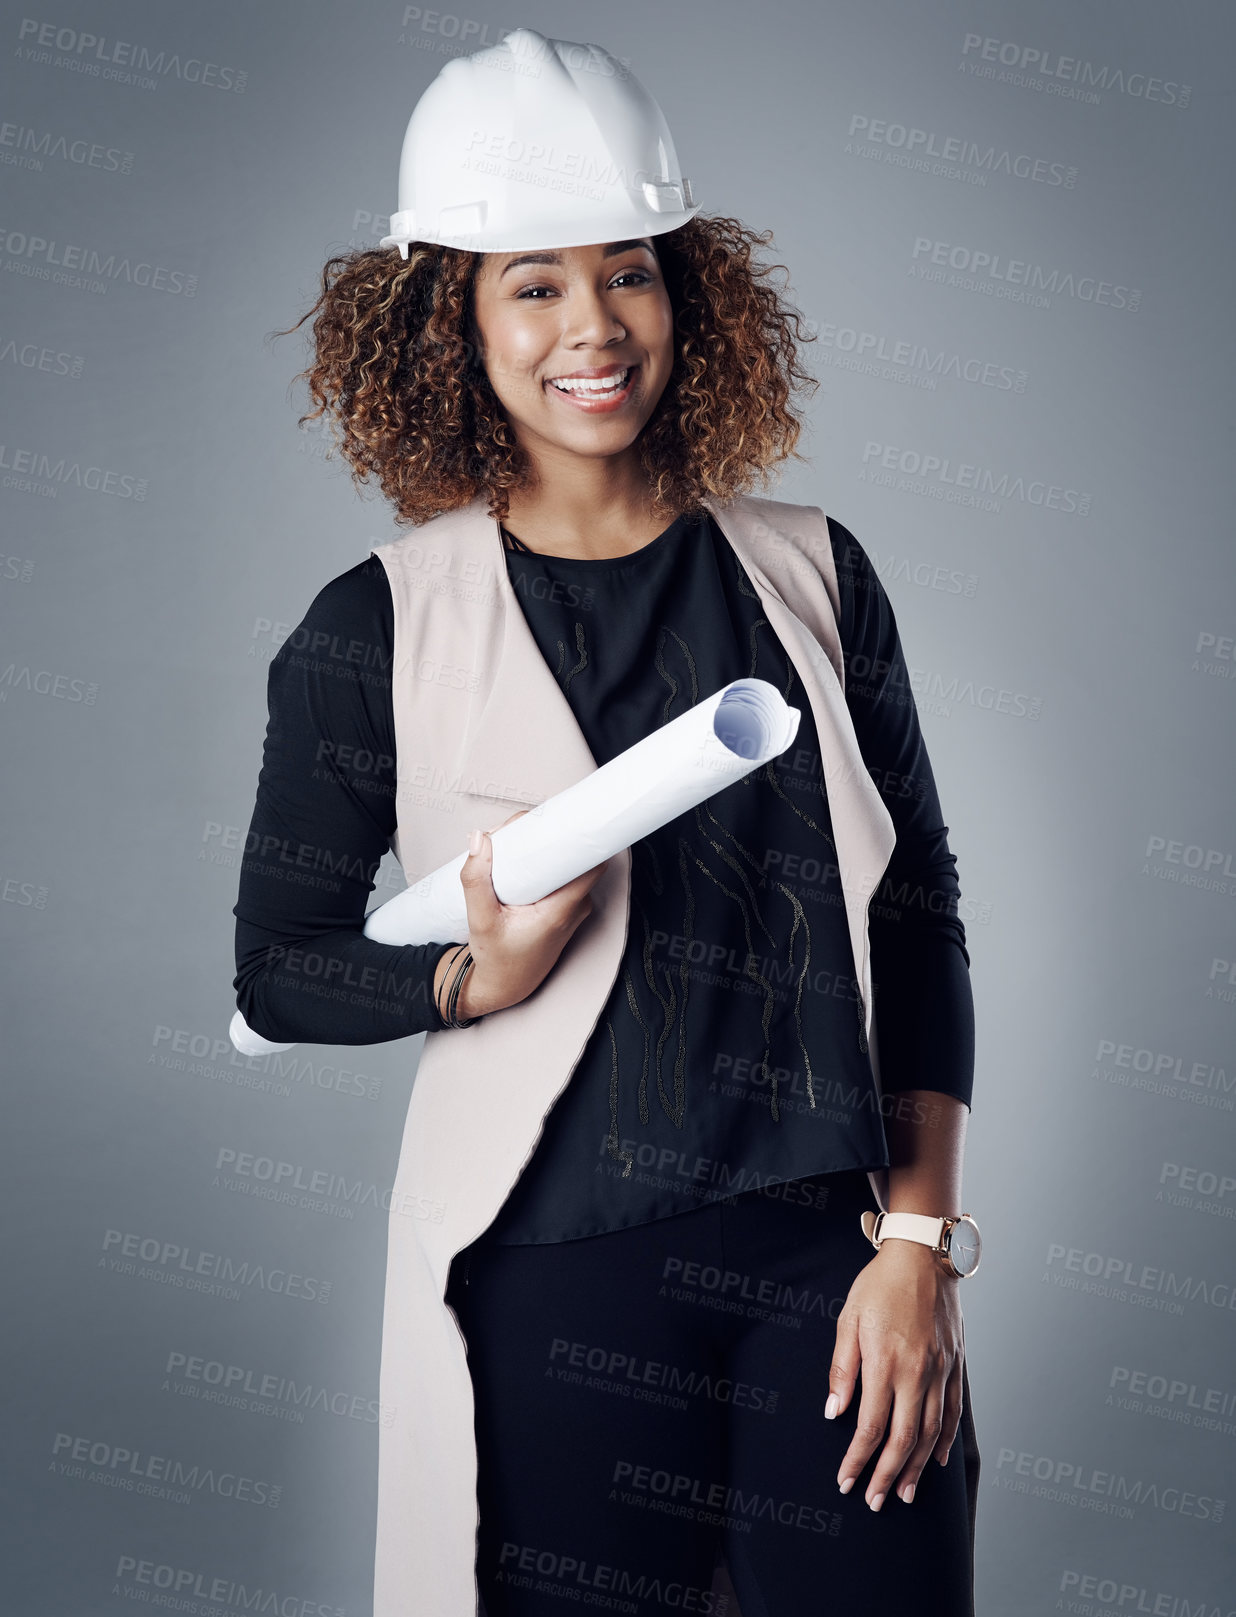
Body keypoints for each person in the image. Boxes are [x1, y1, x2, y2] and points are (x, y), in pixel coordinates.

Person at [233, 27, 981, 1617]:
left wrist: (918, 1241)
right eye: (533, 283)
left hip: (829, 1264)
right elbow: (276, 969)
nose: (594, 327)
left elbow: (918, 919)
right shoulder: (382, 624)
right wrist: (462, 979)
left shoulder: (814, 575)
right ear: (451, 319)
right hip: (553, 1282)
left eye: (628, 273)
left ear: (685, 293)